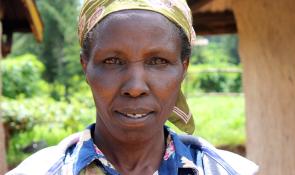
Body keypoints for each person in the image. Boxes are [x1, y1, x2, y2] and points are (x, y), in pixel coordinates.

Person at [7, 0, 258, 175]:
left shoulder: (230, 172)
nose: (135, 87)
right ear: (86, 67)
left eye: (158, 61)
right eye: (113, 61)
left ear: (184, 67)